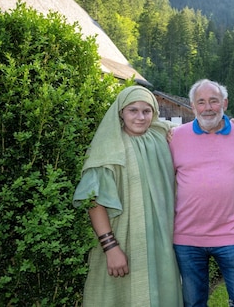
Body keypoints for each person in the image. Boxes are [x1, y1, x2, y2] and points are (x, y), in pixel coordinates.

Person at [73, 86, 183, 306]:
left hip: (161, 244)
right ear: (120, 112)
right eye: (133, 110)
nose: (140, 117)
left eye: (146, 111)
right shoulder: (108, 145)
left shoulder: (162, 136)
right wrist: (111, 248)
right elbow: (94, 202)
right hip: (122, 241)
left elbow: (203, 130)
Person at [169, 79, 234, 307]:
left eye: (214, 101)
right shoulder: (175, 136)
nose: (208, 107)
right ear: (192, 106)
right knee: (193, 302)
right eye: (201, 102)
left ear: (225, 103)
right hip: (187, 237)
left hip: (232, 235)